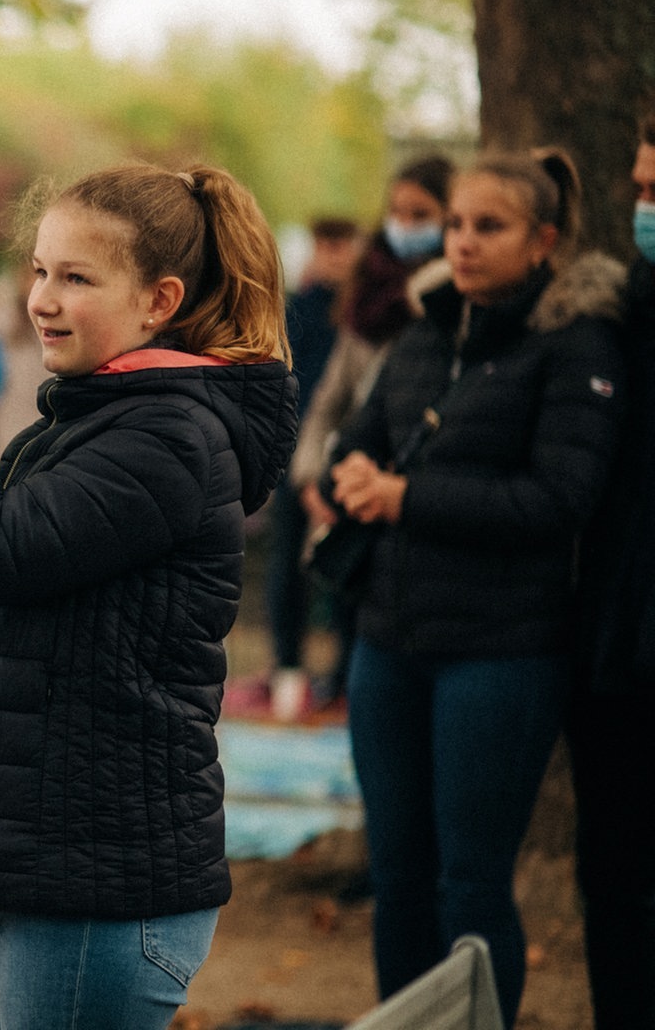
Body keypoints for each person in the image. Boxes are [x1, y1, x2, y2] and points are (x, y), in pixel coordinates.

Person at [0, 163, 298, 1030]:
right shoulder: (88, 425)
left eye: (77, 278)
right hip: (32, 872)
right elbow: (1, 680)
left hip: (95, 891)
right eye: (39, 270)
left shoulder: (169, 438)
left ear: (159, 301)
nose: (43, 298)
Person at [325, 148, 624, 1028]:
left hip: (500, 655)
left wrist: (408, 497)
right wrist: (349, 475)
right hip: (389, 642)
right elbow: (359, 433)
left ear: (544, 242)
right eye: (454, 224)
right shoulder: (424, 331)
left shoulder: (577, 345)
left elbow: (560, 498)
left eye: (486, 227)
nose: (461, 242)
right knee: (398, 875)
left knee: (470, 880)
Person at [292, 157, 454, 705]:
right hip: (350, 484)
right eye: (396, 212)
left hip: (417, 501)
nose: (405, 225)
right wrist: (316, 479)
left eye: (422, 214)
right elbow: (330, 404)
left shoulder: (449, 308)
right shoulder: (365, 300)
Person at [567, 114, 655, 1030]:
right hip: (614, 658)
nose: (642, 205)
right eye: (638, 187)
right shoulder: (619, 317)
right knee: (615, 880)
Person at [257, 216, 360, 718]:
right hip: (296, 461)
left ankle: (340, 676)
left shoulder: (364, 312)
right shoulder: (298, 309)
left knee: (341, 567)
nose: (333, 256)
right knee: (286, 570)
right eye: (326, 246)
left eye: (342, 246)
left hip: (348, 463)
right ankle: (287, 668)